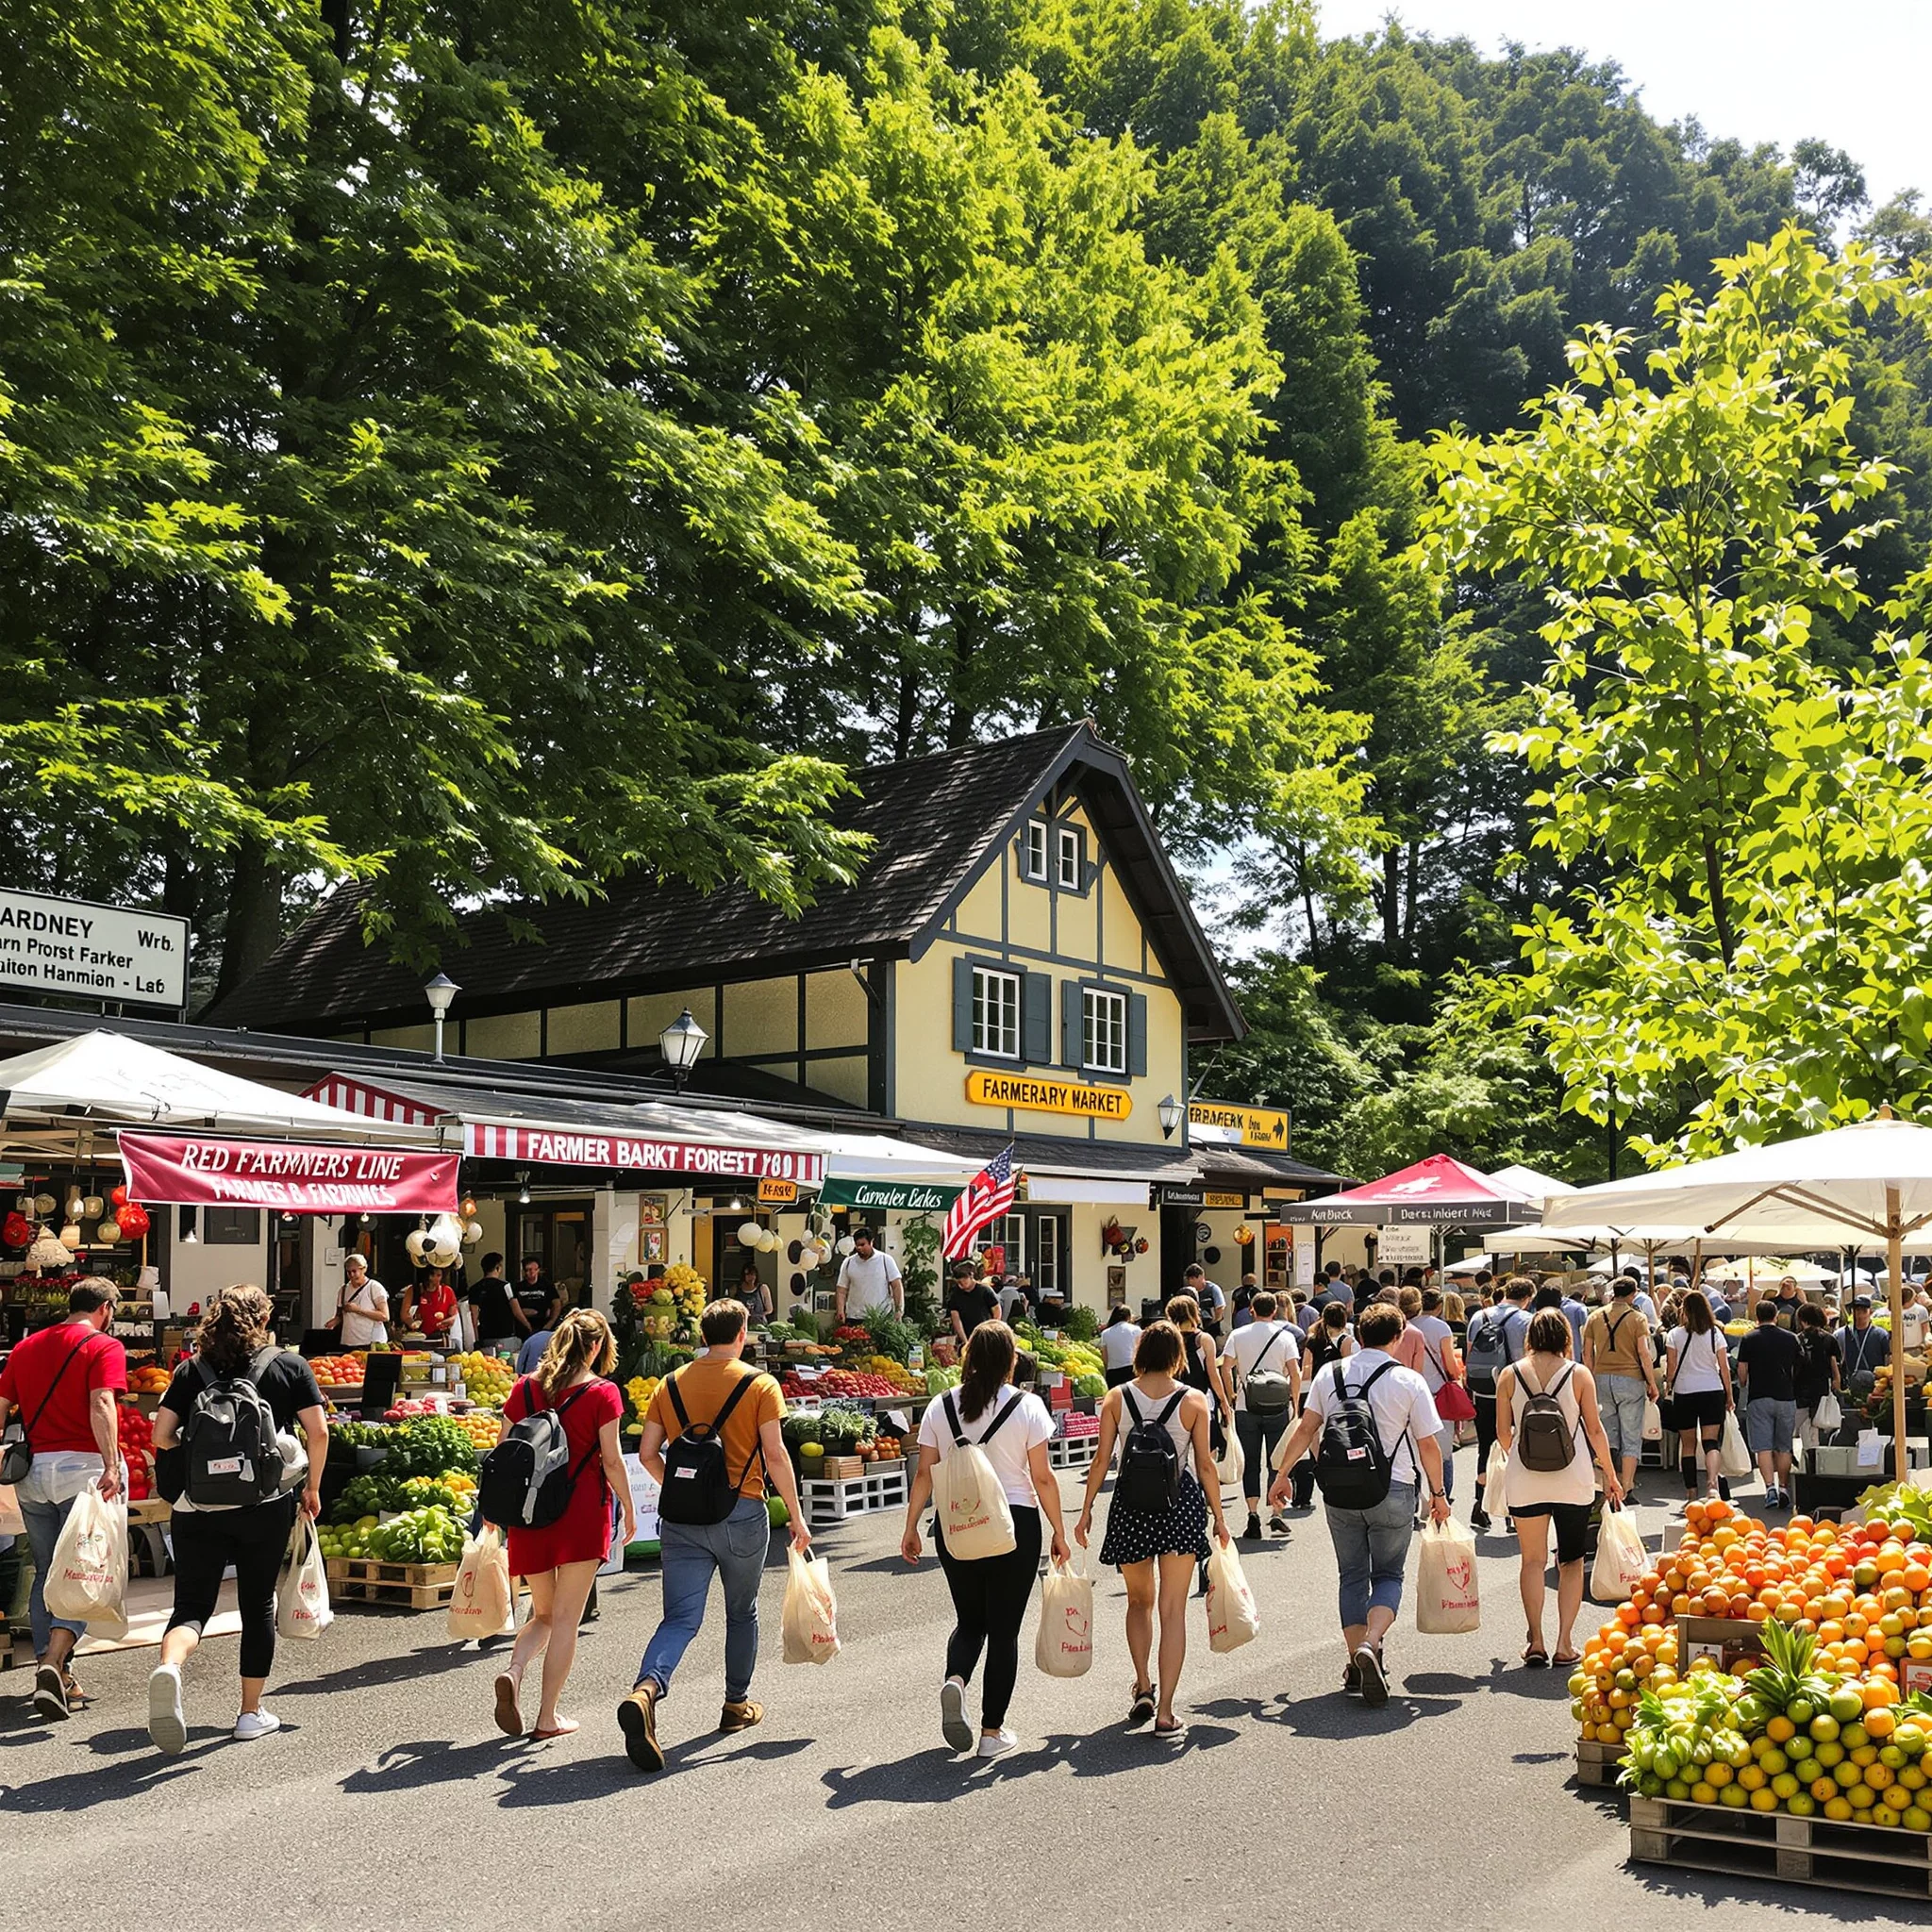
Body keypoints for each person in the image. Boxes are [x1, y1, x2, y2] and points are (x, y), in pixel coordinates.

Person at [622, 1300, 808, 1773]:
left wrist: (682, 1490)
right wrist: (797, 1515)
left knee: (680, 1619)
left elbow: (647, 1454)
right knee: (742, 1612)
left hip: (682, 1521)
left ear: (703, 1336)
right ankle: (735, 1705)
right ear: (742, 1333)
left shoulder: (669, 1384)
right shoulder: (760, 1385)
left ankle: (646, 1689)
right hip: (742, 1513)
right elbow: (775, 1454)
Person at [148, 1284, 325, 1750]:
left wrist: (201, 1456)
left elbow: (161, 1435)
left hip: (196, 1507)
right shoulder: (288, 1366)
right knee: (257, 1603)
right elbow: (319, 1432)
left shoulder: (192, 1370)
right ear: (264, 1320)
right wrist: (312, 1487)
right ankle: (249, 1713)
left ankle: (170, 1668)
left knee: (191, 1605)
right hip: (263, 1504)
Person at [1265, 1302, 1451, 1707]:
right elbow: (1428, 1445)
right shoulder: (1408, 1380)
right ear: (1398, 1337)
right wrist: (1438, 1495)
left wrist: (1281, 1475)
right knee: (1388, 1575)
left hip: (1340, 1491)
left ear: (1359, 1335)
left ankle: (1355, 1660)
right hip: (1394, 1488)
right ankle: (1371, 1642)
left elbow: (1306, 1428)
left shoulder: (1329, 1375)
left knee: (1351, 1576)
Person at [902, 1322, 1067, 1758]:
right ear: (1011, 1360)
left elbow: (924, 1474)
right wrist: (1059, 1530)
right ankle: (991, 1733)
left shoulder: (940, 1406)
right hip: (1015, 1523)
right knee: (1004, 1632)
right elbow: (1042, 1477)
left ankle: (956, 1679)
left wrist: (911, 1526)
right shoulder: (1027, 1406)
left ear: (969, 1356)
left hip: (957, 1522)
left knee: (970, 1621)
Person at [1074, 1321, 1229, 1740]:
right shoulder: (1193, 1400)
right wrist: (1219, 1516)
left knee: (1138, 1602)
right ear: (1177, 1355)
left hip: (1131, 1506)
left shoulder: (1117, 1397)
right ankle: (1166, 1712)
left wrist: (1086, 1510)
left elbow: (1102, 1459)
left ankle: (1143, 1685)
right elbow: (1205, 1464)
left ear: (1139, 1354)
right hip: (1179, 1505)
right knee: (1173, 1609)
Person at [485, 1310, 631, 1741]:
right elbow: (611, 1460)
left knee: (544, 1614)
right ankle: (547, 1717)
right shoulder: (603, 1393)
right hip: (581, 1512)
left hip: (530, 1512)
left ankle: (514, 1670)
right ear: (597, 1346)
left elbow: (502, 1450)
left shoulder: (525, 1388)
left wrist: (492, 1509)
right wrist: (629, 1505)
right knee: (566, 1620)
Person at [0, 1278, 125, 1720]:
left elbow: (1, 1405)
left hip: (32, 1474)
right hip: (83, 1472)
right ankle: (54, 1662)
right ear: (105, 1309)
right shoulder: (104, 1346)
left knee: (48, 1570)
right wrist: (111, 1465)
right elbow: (102, 1403)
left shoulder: (25, 1348)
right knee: (84, 1570)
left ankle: (57, 1674)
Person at [1495, 1308, 1623, 1667]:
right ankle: (1564, 1643)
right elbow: (1595, 1430)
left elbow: (1503, 1433)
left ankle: (1535, 1640)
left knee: (1532, 1561)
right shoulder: (1578, 1374)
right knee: (1571, 1561)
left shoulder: (1509, 1375)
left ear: (1531, 1337)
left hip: (1525, 1479)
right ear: (1566, 1336)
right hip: (1573, 1478)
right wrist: (1611, 1475)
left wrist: (1525, 1455)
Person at [1224, 1291, 1302, 1541]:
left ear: (1252, 1310)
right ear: (1275, 1311)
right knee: (1277, 1462)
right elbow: (1295, 1372)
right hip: (1278, 1406)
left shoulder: (1238, 1335)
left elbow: (1226, 1367)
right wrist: (1295, 1403)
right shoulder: (1285, 1336)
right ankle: (1276, 1511)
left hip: (1247, 1405)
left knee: (1251, 1463)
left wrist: (1231, 1395)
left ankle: (1252, 1514)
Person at [1583, 1275, 1658, 1499]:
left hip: (1601, 1378)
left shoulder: (1595, 1316)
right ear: (1633, 1294)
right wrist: (1651, 1382)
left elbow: (1587, 1353)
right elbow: (1643, 1352)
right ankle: (1627, 1487)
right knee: (1631, 1434)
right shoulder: (1637, 1318)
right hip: (1630, 1379)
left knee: (1607, 1434)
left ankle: (1609, 1486)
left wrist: (1592, 1377)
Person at [1467, 1277, 1533, 1529]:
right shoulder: (1526, 1320)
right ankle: (1512, 1512)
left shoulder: (1479, 1316)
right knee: (1514, 1448)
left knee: (1485, 1446)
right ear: (1527, 1298)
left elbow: (1471, 1353)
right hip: (1515, 1391)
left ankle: (1479, 1504)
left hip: (1483, 1390)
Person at [1666, 1289, 1735, 1504]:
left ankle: (1691, 1492)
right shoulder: (1715, 1333)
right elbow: (1724, 1368)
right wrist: (1729, 1395)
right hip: (1712, 1390)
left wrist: (1668, 1386)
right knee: (1710, 1442)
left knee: (1688, 1445)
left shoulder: (1674, 1334)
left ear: (1684, 1310)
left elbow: (1671, 1367)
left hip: (1684, 1391)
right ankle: (1712, 1485)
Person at [1737, 1298, 1803, 1507]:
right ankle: (1783, 1487)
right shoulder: (1791, 1338)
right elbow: (1799, 1366)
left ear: (1756, 1317)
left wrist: (1744, 1383)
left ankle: (1769, 1489)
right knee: (1784, 1447)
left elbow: (1742, 1370)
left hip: (1759, 1397)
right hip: (1785, 1396)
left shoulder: (1749, 1338)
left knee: (1763, 1447)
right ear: (1776, 1316)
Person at [1411, 1288, 1466, 1505]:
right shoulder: (1441, 1327)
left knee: (1414, 1451)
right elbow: (1450, 1364)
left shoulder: (1408, 1325)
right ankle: (1443, 1497)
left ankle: (1417, 1501)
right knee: (1444, 1452)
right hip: (1438, 1393)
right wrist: (1456, 1376)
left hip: (1413, 1393)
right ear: (1439, 1306)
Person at [1168, 1293, 1232, 1456]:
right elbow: (1212, 1374)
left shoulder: (1167, 1338)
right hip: (1200, 1395)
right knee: (1206, 1447)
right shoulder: (1203, 1339)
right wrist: (1223, 1400)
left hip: (1172, 1397)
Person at [1795, 1302, 1843, 1466]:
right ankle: (1816, 1460)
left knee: (1803, 1427)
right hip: (1822, 1387)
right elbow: (1835, 1362)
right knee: (1817, 1425)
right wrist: (1837, 1380)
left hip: (1801, 1390)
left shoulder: (1797, 1339)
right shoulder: (1829, 1338)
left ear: (1802, 1320)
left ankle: (1808, 1458)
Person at [834, 1226, 902, 1324]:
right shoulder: (848, 1262)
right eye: (857, 1245)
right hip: (854, 1317)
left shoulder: (885, 1260)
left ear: (871, 1242)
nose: (859, 1248)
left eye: (862, 1244)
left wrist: (899, 1310)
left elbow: (896, 1286)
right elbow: (841, 1290)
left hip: (881, 1318)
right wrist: (840, 1311)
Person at [1836, 1295, 1888, 1405]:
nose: (1859, 1314)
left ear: (1870, 1312)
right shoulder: (1841, 1334)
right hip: (1850, 1386)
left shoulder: (1881, 1335)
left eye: (1864, 1310)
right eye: (1856, 1310)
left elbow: (1888, 1360)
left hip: (1876, 1385)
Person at [332, 1253, 390, 1347]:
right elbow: (340, 1315)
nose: (352, 1275)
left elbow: (384, 1316)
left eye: (354, 1271)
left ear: (364, 1269)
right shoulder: (343, 1290)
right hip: (348, 1342)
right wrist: (334, 1322)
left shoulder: (374, 1287)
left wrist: (358, 1310)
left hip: (372, 1343)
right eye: (349, 1272)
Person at [468, 1252, 526, 1345]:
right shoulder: (506, 1287)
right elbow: (517, 1312)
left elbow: (474, 1317)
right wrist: (528, 1326)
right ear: (498, 1268)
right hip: (506, 1336)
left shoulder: (474, 1289)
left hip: (485, 1337)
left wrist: (476, 1339)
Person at [944, 1258, 1000, 1345]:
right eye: (958, 1283)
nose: (960, 1285)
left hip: (985, 1335)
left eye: (962, 1282)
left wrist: (991, 1330)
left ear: (971, 1276)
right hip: (965, 1335)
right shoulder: (955, 1294)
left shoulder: (984, 1290)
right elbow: (956, 1318)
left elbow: (996, 1310)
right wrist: (965, 1341)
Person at [402, 1264, 459, 1344]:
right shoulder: (414, 1290)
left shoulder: (447, 1291)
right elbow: (404, 1314)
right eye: (432, 1275)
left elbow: (454, 1315)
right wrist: (412, 1323)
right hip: (417, 1338)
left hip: (439, 1337)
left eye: (438, 1275)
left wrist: (449, 1321)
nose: (435, 1279)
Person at [1098, 1305, 1141, 1389]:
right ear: (1128, 1317)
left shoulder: (1105, 1333)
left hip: (1113, 1373)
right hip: (1131, 1370)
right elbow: (1140, 1351)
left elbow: (1105, 1358)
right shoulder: (1136, 1330)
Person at [515, 1257, 561, 1330]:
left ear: (538, 1270)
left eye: (535, 1269)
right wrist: (526, 1323)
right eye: (528, 1270)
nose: (532, 1272)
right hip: (523, 1324)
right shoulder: (517, 1287)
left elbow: (557, 1305)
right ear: (524, 1271)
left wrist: (550, 1323)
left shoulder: (547, 1285)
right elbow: (514, 1307)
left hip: (544, 1323)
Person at [734, 1262, 774, 1327]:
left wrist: (760, 1316)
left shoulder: (763, 1288)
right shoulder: (737, 1289)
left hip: (759, 1325)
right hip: (742, 1324)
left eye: (753, 1274)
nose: (751, 1277)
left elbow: (769, 1309)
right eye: (748, 1275)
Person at [1901, 1282, 1931, 1354]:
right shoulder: (1895, 1310)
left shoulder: (1921, 1310)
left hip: (1916, 1347)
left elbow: (1925, 1328)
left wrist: (1925, 1343)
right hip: (1901, 1348)